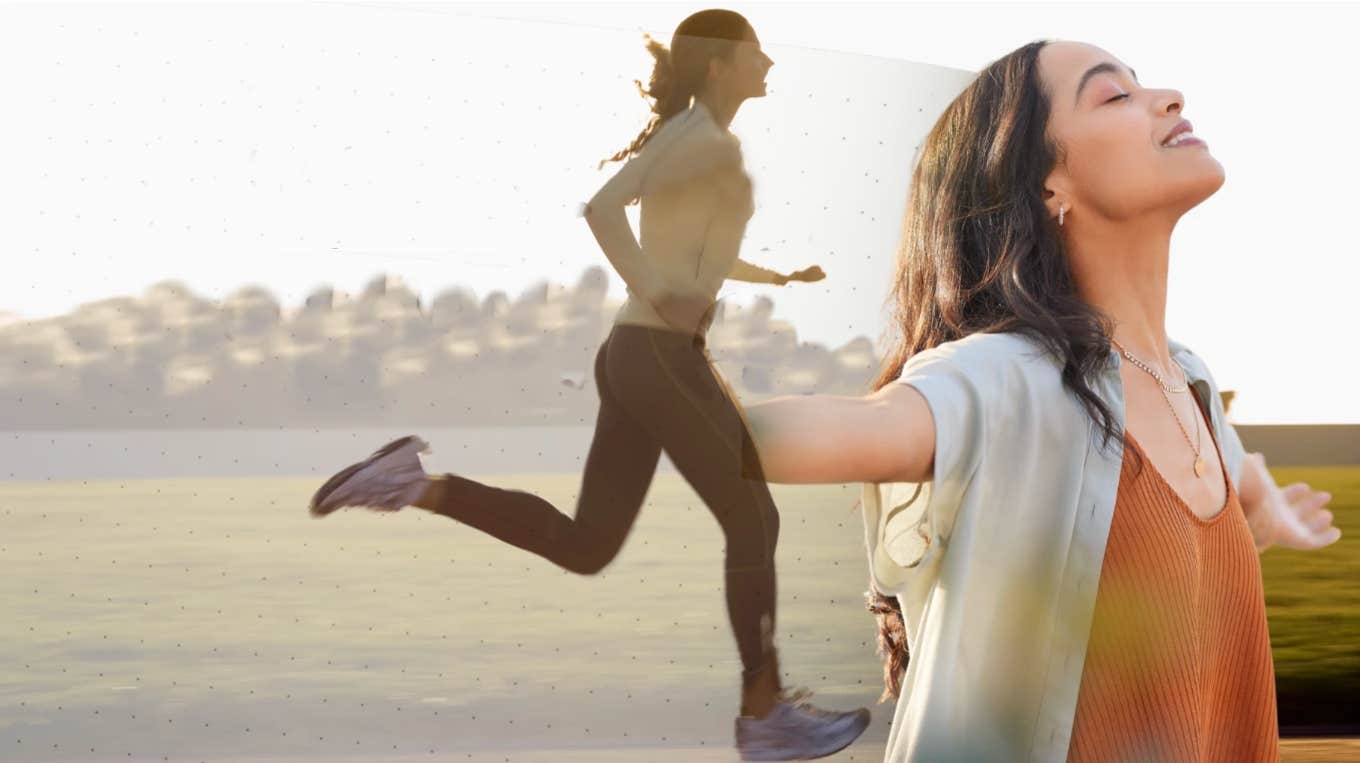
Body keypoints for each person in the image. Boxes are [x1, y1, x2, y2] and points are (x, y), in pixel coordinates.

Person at [734, 40, 1341, 761]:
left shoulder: (1192, 384)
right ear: (1049, 183)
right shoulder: (1009, 377)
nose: (1169, 98)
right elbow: (862, 426)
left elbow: (1237, 471)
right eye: (1113, 96)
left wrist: (1269, 507)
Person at [306, 9, 869, 761]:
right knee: (753, 515)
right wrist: (653, 287)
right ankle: (763, 713)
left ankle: (411, 484)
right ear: (719, 63)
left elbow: (696, 253)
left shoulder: (696, 140)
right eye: (754, 51)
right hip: (661, 353)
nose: (768, 62)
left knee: (588, 544)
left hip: (637, 353)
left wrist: (777, 275)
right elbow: (603, 211)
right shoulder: (703, 140)